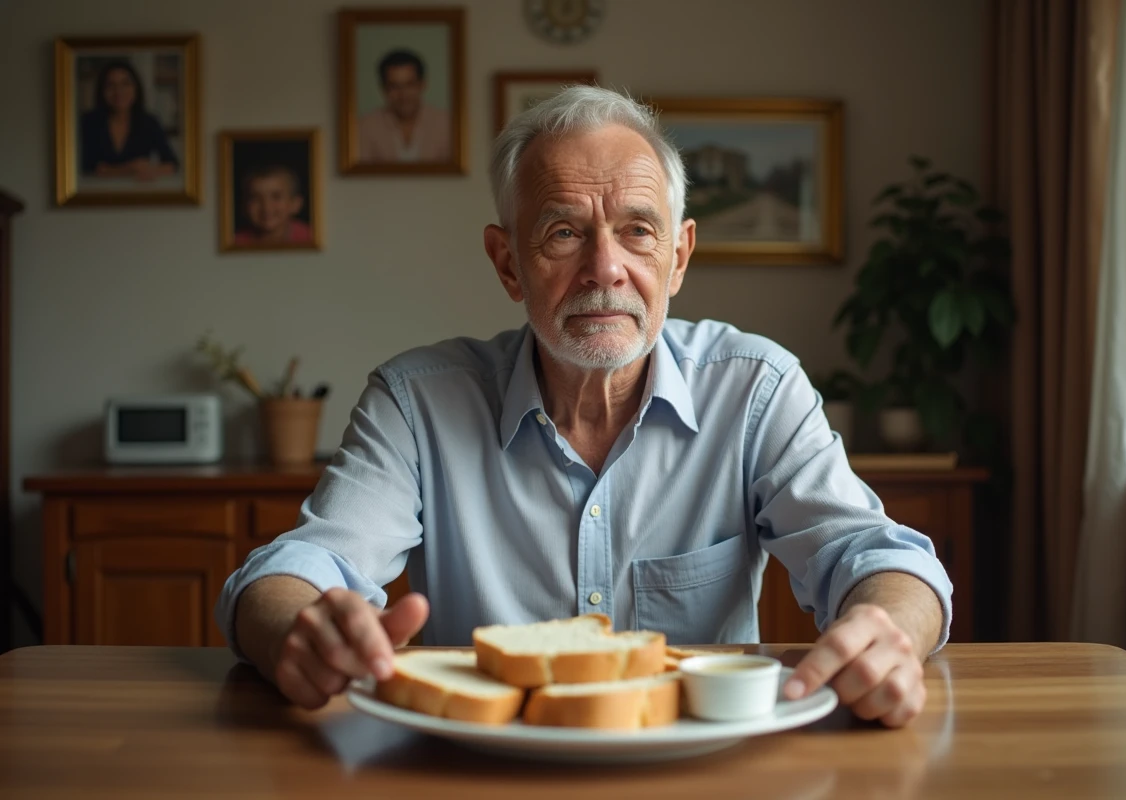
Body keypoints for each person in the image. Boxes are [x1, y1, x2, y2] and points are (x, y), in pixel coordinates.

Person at [219, 86, 951, 729]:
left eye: (637, 230)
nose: (606, 269)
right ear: (508, 263)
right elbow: (301, 568)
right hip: (478, 773)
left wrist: (885, 626)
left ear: (678, 257)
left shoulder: (756, 389)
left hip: (701, 772)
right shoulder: (416, 403)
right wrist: (298, 628)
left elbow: (876, 555)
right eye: (564, 232)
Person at [79, 60, 179, 180]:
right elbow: (85, 167)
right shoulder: (88, 123)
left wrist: (150, 170)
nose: (118, 91)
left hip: (135, 189)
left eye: (125, 84)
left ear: (136, 88)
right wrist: (130, 169)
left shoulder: (149, 122)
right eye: (111, 85)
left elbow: (172, 164)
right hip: (94, 189)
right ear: (102, 90)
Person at [356, 49, 452, 163]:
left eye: (409, 84)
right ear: (383, 89)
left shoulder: (447, 124)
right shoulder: (365, 127)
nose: (403, 94)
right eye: (394, 86)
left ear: (422, 84)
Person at [233, 164, 313, 246]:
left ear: (296, 204)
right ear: (245, 205)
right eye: (255, 198)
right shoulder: (234, 243)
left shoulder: (311, 238)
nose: (266, 207)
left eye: (276, 197)